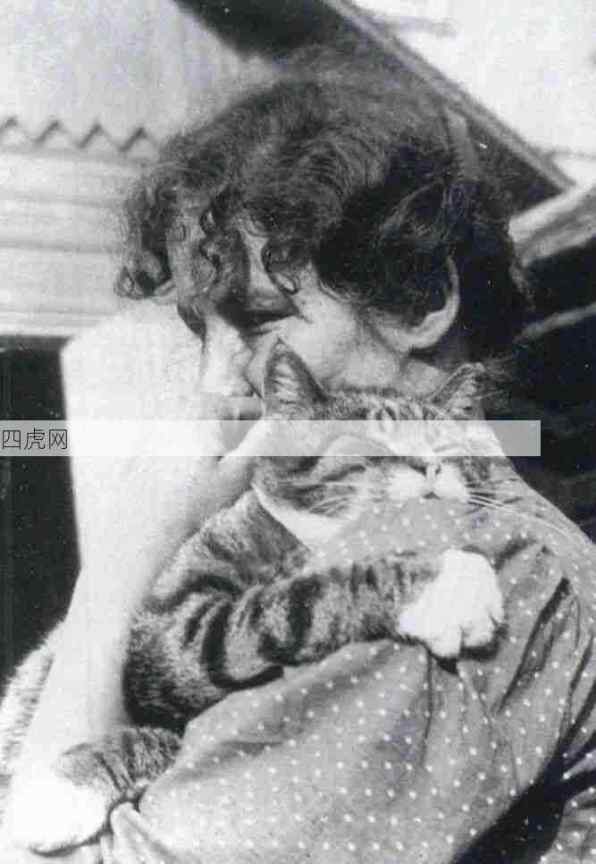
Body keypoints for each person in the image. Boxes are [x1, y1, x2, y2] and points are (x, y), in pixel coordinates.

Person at [5, 50, 596, 863]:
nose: (217, 383)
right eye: (199, 330)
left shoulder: (460, 558)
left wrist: (117, 569)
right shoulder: (361, 530)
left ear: (422, 301)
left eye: (257, 318)